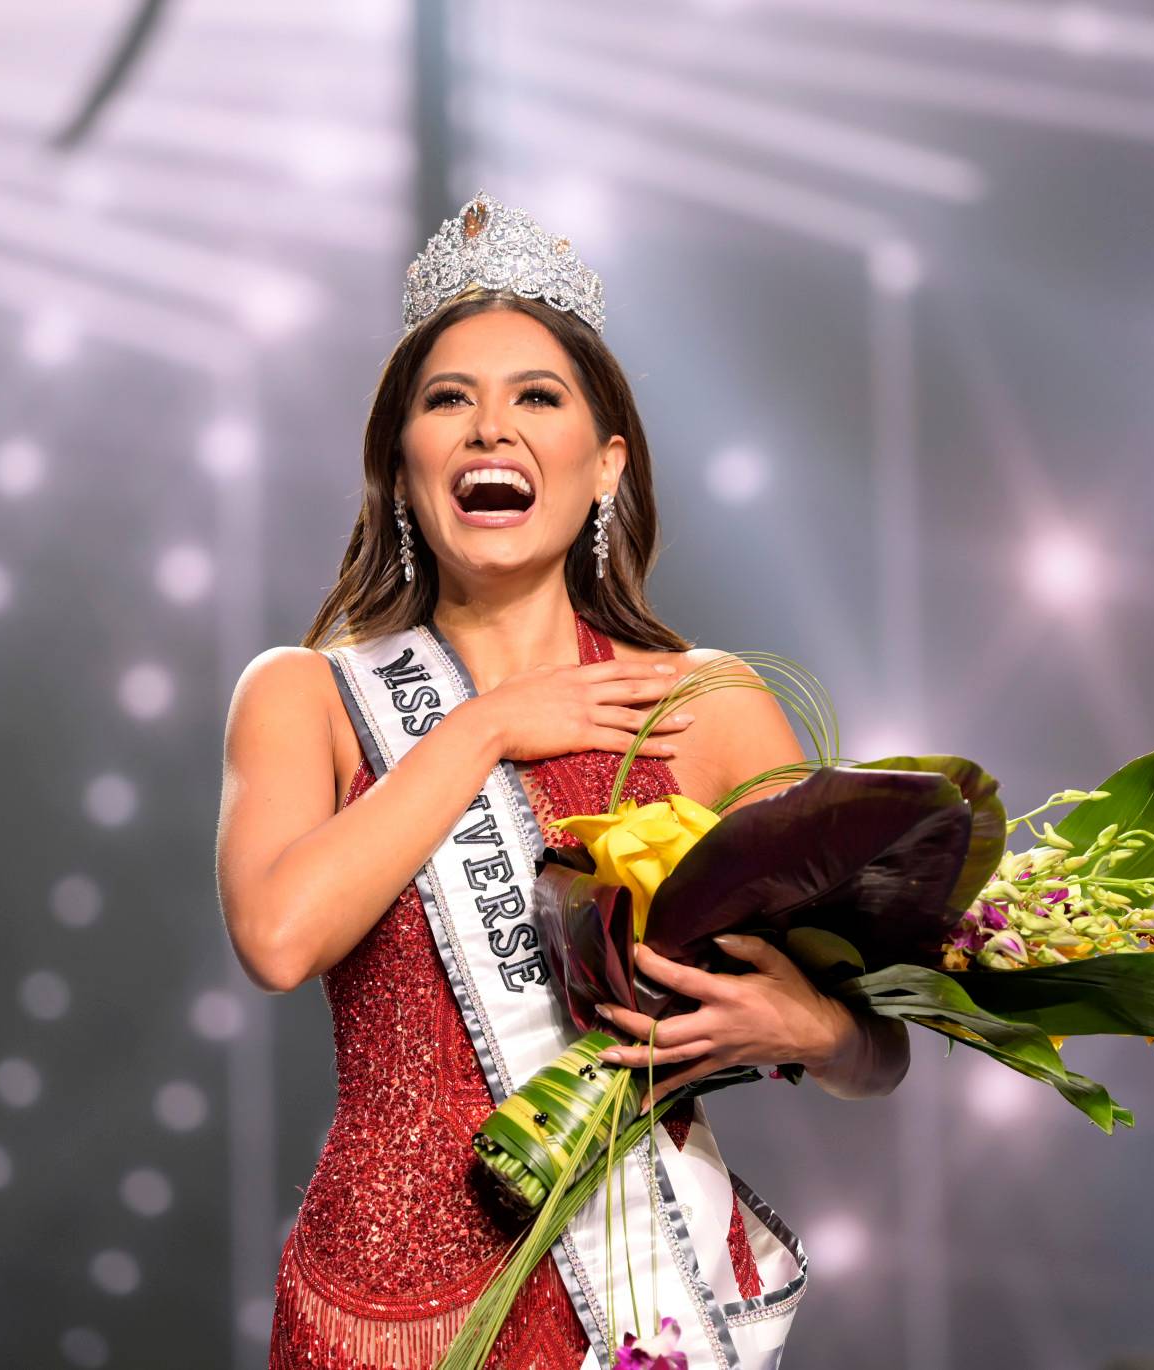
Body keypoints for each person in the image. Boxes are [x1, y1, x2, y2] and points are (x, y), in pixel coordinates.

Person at [216, 192, 910, 1370]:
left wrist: (814, 1026)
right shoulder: (304, 694)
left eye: (536, 397)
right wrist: (481, 729)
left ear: (603, 464)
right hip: (375, 1317)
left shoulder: (704, 702)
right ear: (401, 462)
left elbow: (879, 1045)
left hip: (638, 1292)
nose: (491, 430)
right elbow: (280, 937)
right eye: (448, 401)